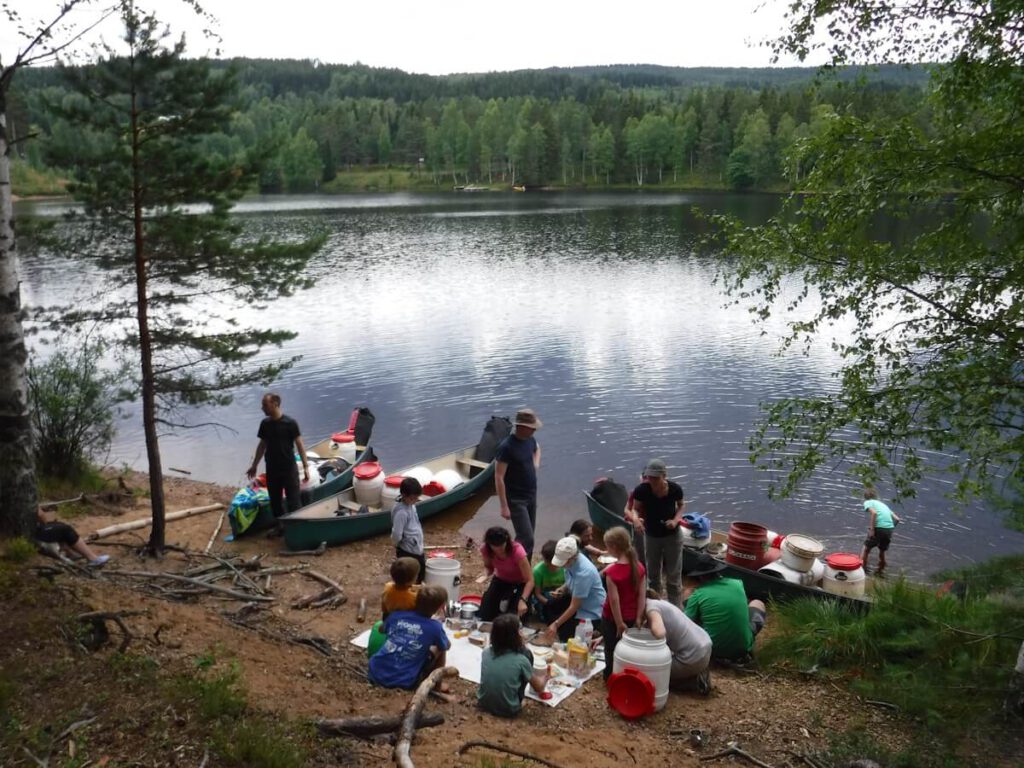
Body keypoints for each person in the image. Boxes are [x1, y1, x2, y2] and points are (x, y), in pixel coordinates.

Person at [684, 553, 766, 664]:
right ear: (718, 571)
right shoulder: (737, 584)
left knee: (690, 603)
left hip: (712, 650)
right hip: (743, 649)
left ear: (700, 576)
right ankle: (741, 643)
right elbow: (744, 606)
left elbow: (686, 624)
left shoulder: (697, 595)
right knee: (758, 603)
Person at [626, 458, 685, 606]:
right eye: (649, 477)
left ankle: (676, 608)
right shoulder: (642, 490)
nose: (652, 480)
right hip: (652, 536)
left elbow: (681, 506)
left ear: (664, 476)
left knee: (674, 576)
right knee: (653, 575)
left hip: (673, 536)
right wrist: (636, 520)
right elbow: (635, 509)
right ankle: (655, 606)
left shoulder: (675, 489)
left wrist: (675, 520)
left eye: (655, 478)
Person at [368, 584, 450, 690]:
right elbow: (446, 645)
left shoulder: (396, 615)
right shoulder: (435, 627)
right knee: (441, 647)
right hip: (404, 681)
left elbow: (381, 629)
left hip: (375, 671)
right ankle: (437, 685)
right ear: (439, 608)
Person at [246, 393, 308, 527]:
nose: (262, 408)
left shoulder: (290, 423)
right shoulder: (265, 424)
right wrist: (254, 465)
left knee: (294, 501)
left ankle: (297, 528)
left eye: (265, 405)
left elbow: (300, 445)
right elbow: (262, 445)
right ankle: (281, 527)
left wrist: (306, 466)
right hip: (272, 469)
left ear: (275, 404)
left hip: (289, 468)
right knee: (275, 502)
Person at [477, 614, 550, 716]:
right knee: (527, 656)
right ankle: (517, 701)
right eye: (519, 631)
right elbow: (539, 688)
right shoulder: (522, 659)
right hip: (509, 709)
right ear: (515, 636)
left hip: (483, 702)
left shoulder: (486, 652)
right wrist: (545, 677)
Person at [643, 588, 712, 694]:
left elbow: (660, 633)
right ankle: (694, 672)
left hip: (692, 657)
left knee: (649, 673)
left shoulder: (651, 608)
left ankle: (694, 681)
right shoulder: (661, 603)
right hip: (705, 645)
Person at [495, 408, 542, 560]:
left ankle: (525, 571)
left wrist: (535, 464)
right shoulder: (506, 447)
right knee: (526, 537)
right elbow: (499, 476)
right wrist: (504, 506)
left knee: (529, 537)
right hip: (516, 499)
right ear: (521, 426)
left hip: (531, 495)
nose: (534, 430)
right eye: (532, 427)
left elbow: (537, 448)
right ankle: (515, 568)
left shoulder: (530, 440)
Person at [600, 527, 646, 679]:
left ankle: (610, 675)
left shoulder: (612, 572)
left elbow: (614, 600)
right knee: (628, 648)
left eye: (607, 546)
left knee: (611, 648)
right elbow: (642, 595)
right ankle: (627, 675)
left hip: (613, 618)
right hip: (632, 615)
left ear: (613, 547)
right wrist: (639, 617)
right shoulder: (639, 567)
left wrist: (619, 623)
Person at [542, 536, 607, 644]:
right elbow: (570, 579)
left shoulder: (584, 572)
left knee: (567, 633)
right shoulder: (571, 562)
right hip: (576, 598)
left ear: (573, 558)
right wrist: (562, 589)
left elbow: (574, 606)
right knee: (549, 606)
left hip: (590, 610)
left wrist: (556, 623)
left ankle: (595, 630)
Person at [478, 527, 535, 621]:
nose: (498, 551)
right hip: (501, 579)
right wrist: (485, 574)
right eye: (495, 548)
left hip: (520, 582)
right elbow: (489, 567)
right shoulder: (485, 549)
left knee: (516, 616)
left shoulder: (517, 551)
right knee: (486, 611)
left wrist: (523, 600)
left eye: (501, 546)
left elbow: (530, 580)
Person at [34, 507, 110, 566]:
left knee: (58, 525)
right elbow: (40, 515)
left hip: (29, 532)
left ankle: (70, 553)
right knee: (65, 529)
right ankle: (92, 558)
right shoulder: (27, 495)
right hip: (33, 533)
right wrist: (44, 523)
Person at [860, 487, 901, 576]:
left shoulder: (867, 502)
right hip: (889, 529)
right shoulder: (883, 505)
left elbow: (874, 513)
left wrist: (872, 529)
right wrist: (889, 528)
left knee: (866, 548)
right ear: (876, 496)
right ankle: (880, 570)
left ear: (865, 497)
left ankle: (862, 570)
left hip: (879, 528)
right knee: (882, 550)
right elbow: (897, 519)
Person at [391, 477, 426, 581]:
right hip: (408, 550)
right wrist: (396, 543)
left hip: (416, 547)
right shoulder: (401, 512)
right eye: (412, 498)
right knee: (410, 576)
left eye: (416, 498)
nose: (415, 501)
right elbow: (397, 533)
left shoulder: (411, 505)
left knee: (420, 573)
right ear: (403, 495)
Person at [531, 539, 569, 623]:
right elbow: (537, 594)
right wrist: (549, 603)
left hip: (561, 594)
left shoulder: (565, 567)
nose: (552, 566)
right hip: (545, 598)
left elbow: (570, 583)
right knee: (547, 618)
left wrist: (562, 591)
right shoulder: (538, 571)